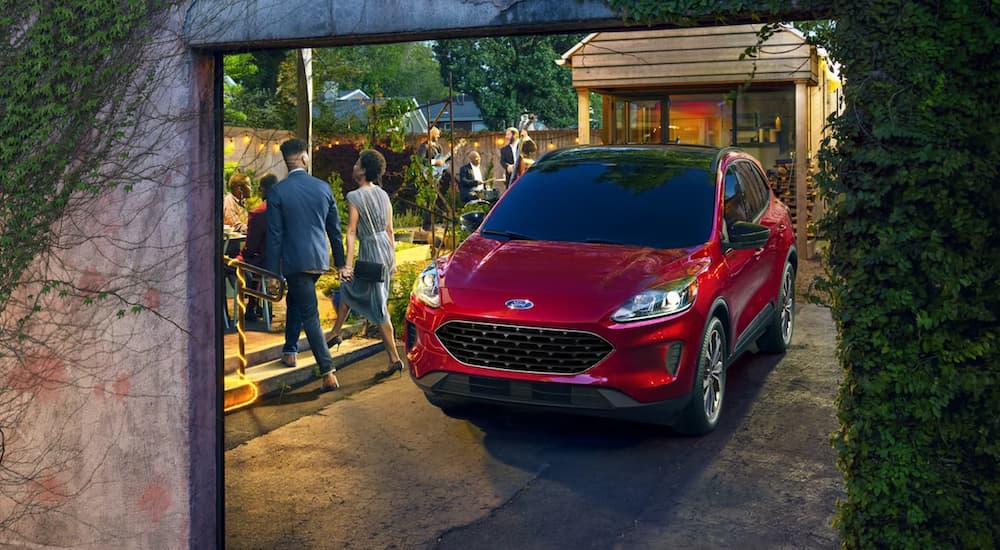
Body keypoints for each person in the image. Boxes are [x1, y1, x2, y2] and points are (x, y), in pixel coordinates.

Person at [265, 138, 347, 392]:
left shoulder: (277, 191)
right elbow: (335, 231)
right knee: (297, 302)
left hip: (294, 261)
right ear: (304, 158)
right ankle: (290, 350)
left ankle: (327, 370)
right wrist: (341, 263)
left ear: (287, 160)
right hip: (318, 260)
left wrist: (272, 273)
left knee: (309, 313)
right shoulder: (323, 188)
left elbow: (274, 236)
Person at [329, 149, 405, 382]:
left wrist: (348, 264)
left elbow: (351, 231)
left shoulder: (355, 196)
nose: (353, 166)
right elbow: (390, 229)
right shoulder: (383, 194)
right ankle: (335, 332)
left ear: (363, 170)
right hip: (385, 249)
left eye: (357, 163)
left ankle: (394, 358)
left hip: (370, 250)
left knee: (378, 306)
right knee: (349, 290)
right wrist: (392, 259)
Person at [237, 172, 277, 321]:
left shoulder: (259, 213)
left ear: (262, 190)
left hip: (266, 263)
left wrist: (241, 255)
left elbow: (251, 247)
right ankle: (257, 305)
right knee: (255, 262)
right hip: (286, 263)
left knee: (235, 264)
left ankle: (244, 310)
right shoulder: (288, 209)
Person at [223, 172, 250, 236]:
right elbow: (236, 225)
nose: (251, 188)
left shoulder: (240, 202)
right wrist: (254, 229)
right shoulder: (229, 202)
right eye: (249, 185)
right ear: (240, 189)